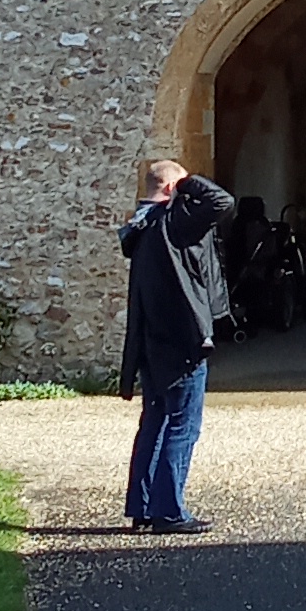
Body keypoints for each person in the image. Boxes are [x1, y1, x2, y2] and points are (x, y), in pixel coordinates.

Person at [118, 156, 236, 532]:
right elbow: (222, 203)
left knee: (155, 420)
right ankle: (168, 511)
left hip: (150, 340)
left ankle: (144, 506)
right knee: (183, 424)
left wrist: (175, 186)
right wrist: (186, 183)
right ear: (169, 189)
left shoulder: (140, 225)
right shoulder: (174, 224)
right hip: (181, 341)